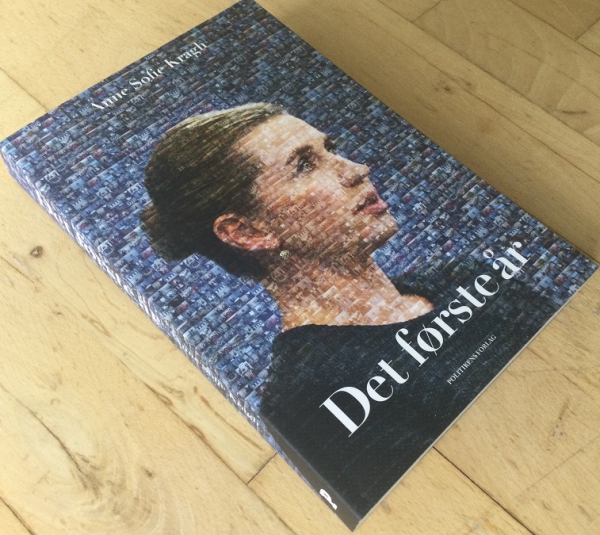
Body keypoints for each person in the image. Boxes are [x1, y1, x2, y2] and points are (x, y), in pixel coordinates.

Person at [141, 103, 557, 524]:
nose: (357, 169)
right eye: (304, 165)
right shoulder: (305, 401)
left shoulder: (466, 276)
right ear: (247, 232)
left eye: (331, 149)